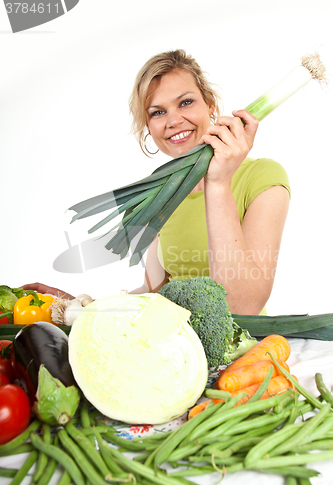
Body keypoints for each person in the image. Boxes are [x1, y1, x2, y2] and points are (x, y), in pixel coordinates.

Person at [24, 49, 290, 315]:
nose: (174, 121)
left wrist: (218, 184)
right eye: (157, 112)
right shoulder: (162, 192)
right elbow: (155, 295)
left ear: (210, 104)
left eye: (185, 102)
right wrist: (81, 306)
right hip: (174, 351)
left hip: (243, 353)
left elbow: (242, 308)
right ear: (148, 126)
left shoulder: (263, 178)